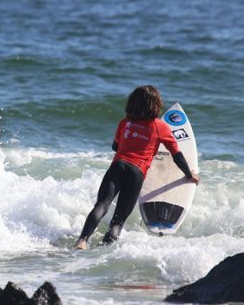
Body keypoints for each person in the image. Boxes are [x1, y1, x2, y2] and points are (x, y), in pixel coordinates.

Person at [75, 85, 200, 250]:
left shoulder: (125, 122)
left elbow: (115, 146)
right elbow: (176, 154)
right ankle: (101, 252)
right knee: (118, 220)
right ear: (155, 104)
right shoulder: (160, 127)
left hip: (117, 166)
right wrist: (189, 174)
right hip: (136, 173)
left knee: (101, 205)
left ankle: (82, 241)